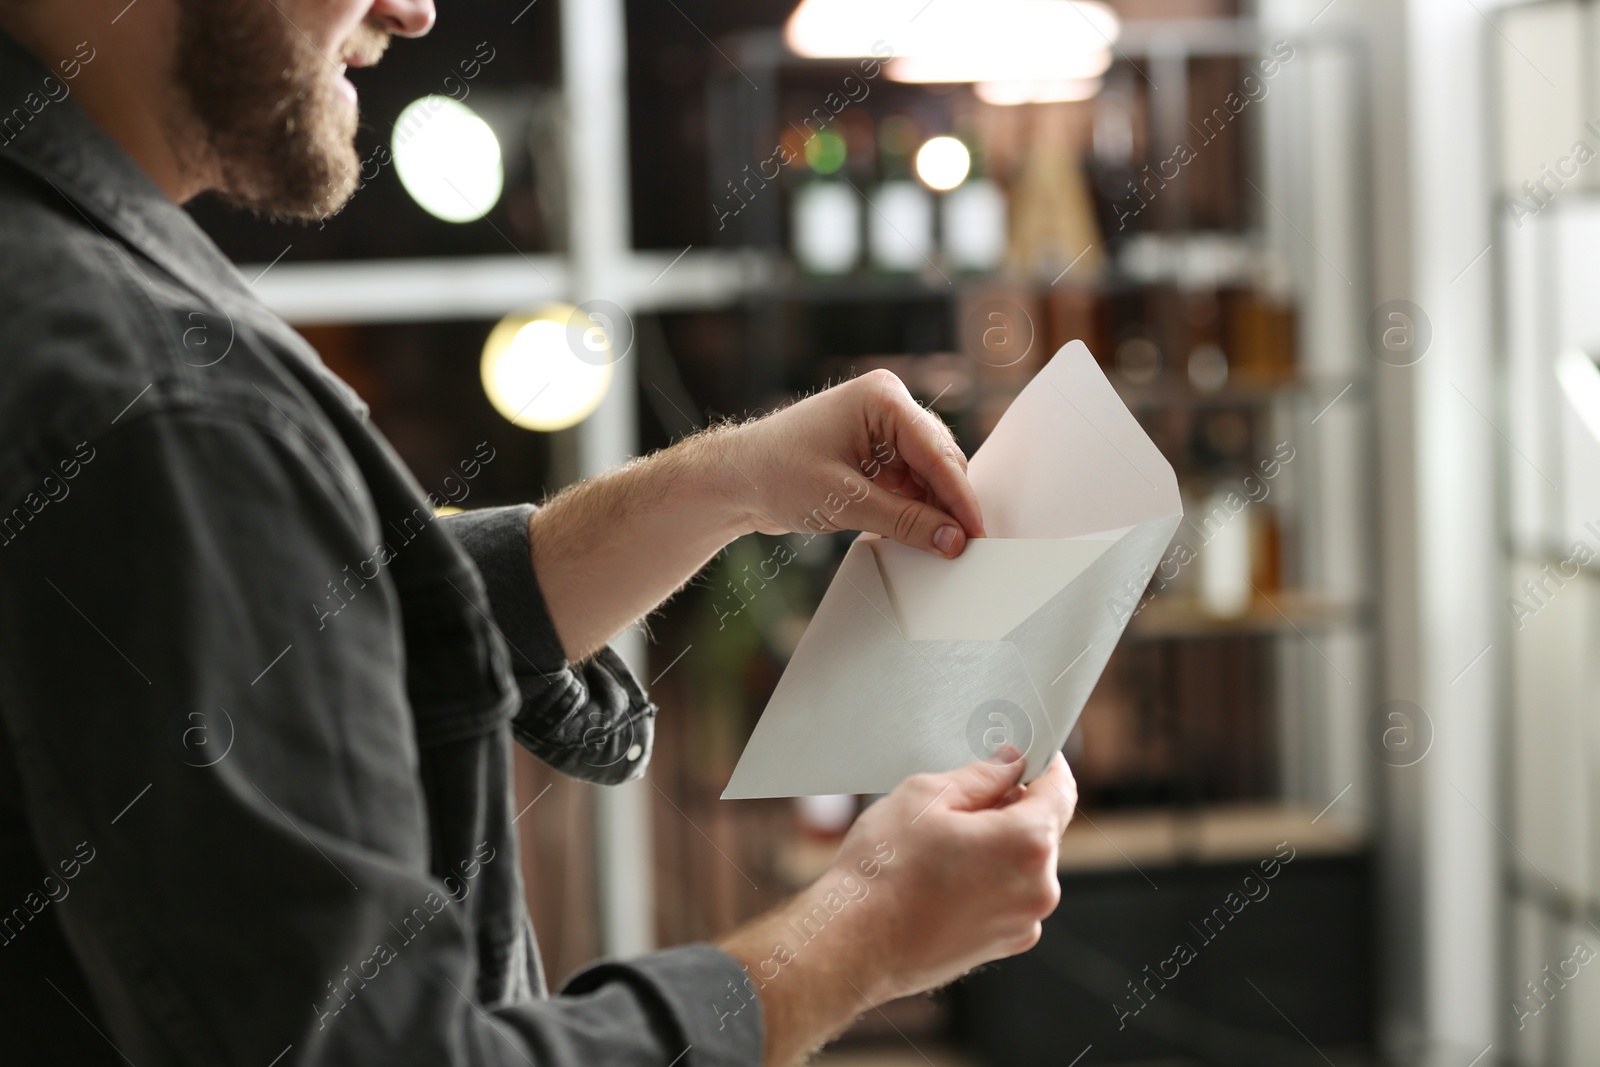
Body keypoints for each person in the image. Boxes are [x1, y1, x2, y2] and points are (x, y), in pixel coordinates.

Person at [0, 1, 1078, 1064]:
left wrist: (725, 481)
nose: (412, 11)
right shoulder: (165, 410)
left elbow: (312, 623)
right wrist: (865, 929)